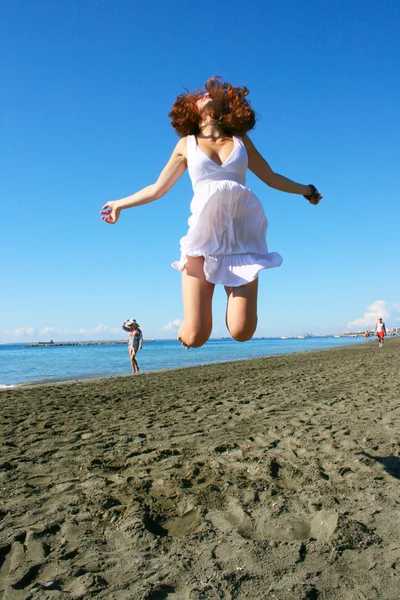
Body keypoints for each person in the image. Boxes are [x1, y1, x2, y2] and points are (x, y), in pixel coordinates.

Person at [101, 77, 322, 349]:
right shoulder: (187, 144)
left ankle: (239, 305)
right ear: (192, 110)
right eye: (200, 94)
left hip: (242, 240)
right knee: (195, 337)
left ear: (225, 105)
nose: (205, 93)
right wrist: (120, 203)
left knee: (242, 332)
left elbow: (272, 178)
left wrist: (307, 190)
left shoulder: (241, 142)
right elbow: (158, 188)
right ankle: (188, 327)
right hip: (203, 241)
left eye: (212, 92)